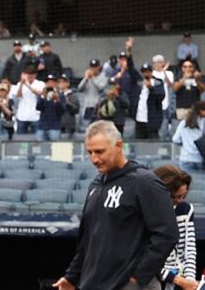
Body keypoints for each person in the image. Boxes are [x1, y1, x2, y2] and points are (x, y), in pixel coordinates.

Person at [54, 121, 178, 290]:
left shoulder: (144, 182)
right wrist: (71, 276)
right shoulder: (96, 184)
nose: (94, 159)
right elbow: (88, 240)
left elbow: (167, 235)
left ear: (119, 146)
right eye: (89, 152)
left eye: (100, 151)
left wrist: (137, 280)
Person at [152, 166, 198, 290]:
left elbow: (189, 249)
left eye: (184, 195)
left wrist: (189, 280)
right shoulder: (149, 213)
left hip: (181, 276)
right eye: (176, 196)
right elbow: (146, 259)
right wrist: (176, 279)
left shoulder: (186, 209)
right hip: (155, 279)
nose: (180, 200)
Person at [172, 101, 205, 173]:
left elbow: (175, 139)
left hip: (185, 157)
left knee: (186, 179)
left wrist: (185, 143)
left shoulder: (184, 122)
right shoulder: (203, 122)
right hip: (200, 158)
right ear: (201, 110)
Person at [135, 63, 166, 140]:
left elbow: (160, 97)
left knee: (153, 141)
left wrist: (151, 88)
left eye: (148, 71)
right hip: (140, 118)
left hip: (152, 120)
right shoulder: (139, 83)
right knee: (139, 142)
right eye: (144, 72)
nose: (146, 74)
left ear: (151, 72)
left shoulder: (158, 82)